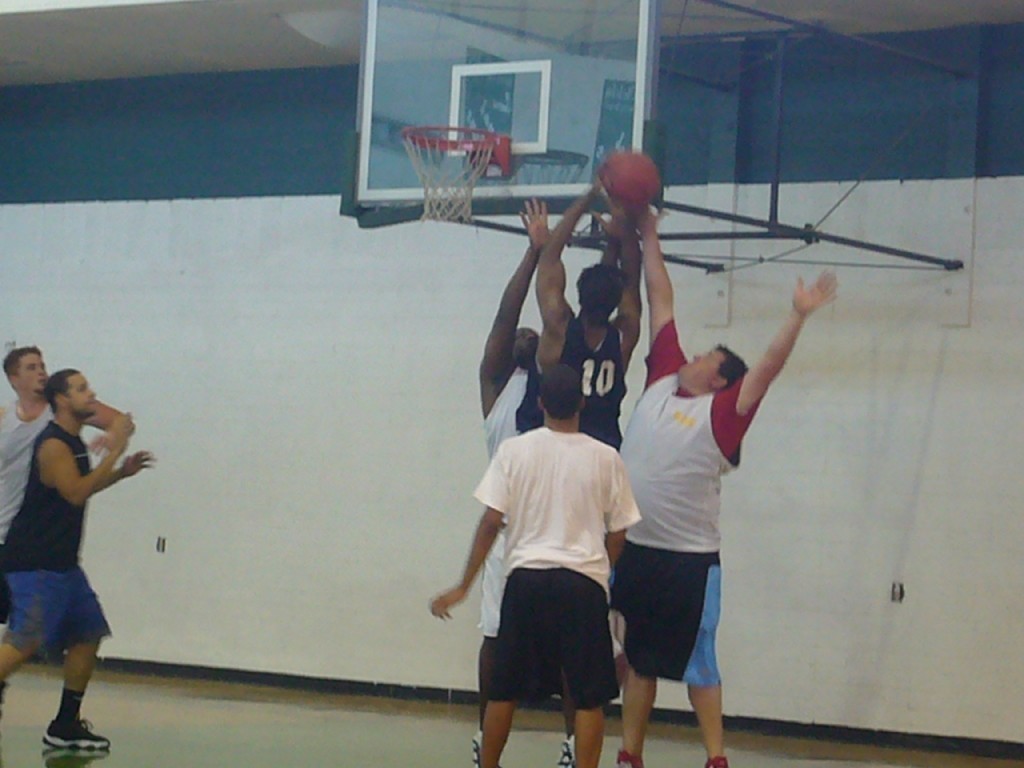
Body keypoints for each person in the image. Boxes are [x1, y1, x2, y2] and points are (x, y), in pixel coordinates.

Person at [611, 211, 837, 768]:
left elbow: (767, 369)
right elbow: (661, 296)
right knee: (637, 662)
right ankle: (630, 755)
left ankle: (716, 758)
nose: (690, 357)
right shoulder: (663, 377)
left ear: (717, 379)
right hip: (637, 550)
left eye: (703, 359)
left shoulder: (723, 414)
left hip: (689, 561)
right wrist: (650, 235)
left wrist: (797, 315)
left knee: (700, 667)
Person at [431, 364, 641, 768]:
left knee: (504, 691)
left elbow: (491, 522)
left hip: (525, 581)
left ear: (541, 402)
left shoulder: (514, 451)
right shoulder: (606, 457)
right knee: (589, 698)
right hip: (583, 585)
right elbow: (619, 532)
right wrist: (600, 567)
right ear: (582, 403)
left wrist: (462, 587)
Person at [0, 369, 153, 751]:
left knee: (87, 634)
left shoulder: (73, 441)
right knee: (25, 642)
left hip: (64, 565)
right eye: (82, 389)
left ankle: (65, 724)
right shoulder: (53, 445)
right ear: (62, 399)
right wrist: (115, 451)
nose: (91, 393)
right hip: (34, 563)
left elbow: (82, 487)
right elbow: (75, 493)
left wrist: (121, 473)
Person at [476, 200, 578, 768]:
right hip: (509, 529)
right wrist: (533, 251)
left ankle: (573, 744)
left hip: (558, 529)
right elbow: (503, 316)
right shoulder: (497, 386)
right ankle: (485, 739)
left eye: (529, 332)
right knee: (494, 637)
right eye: (516, 333)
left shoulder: (553, 383)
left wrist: (550, 254)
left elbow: (552, 315)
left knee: (570, 645)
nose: (520, 332)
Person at [517, 185, 642, 449]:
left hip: (549, 450)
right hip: (600, 452)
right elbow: (631, 280)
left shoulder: (559, 328)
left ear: (579, 295)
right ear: (616, 303)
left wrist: (589, 196)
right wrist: (625, 230)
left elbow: (549, 258)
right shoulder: (624, 335)